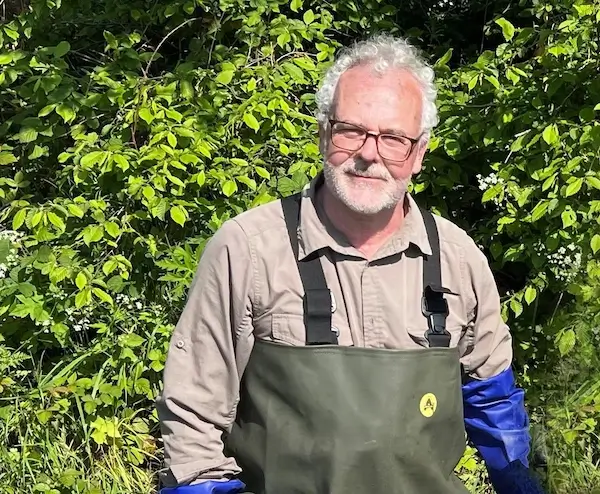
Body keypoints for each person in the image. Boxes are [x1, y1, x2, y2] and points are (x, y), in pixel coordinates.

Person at [155, 34, 545, 494]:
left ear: (418, 154)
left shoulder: (457, 260)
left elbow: (495, 409)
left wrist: (523, 485)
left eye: (393, 138)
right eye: (350, 130)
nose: (368, 153)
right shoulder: (248, 250)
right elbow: (191, 427)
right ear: (324, 134)